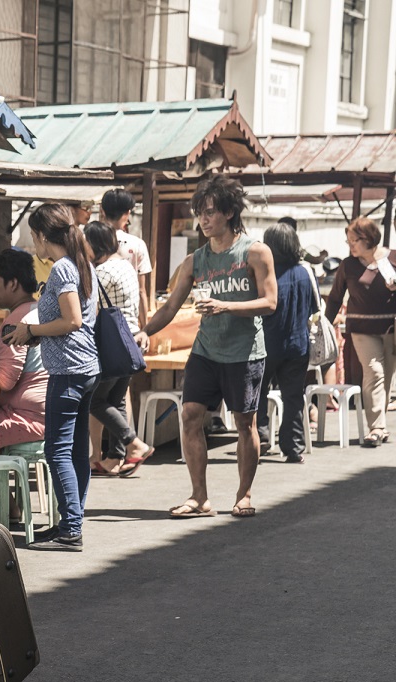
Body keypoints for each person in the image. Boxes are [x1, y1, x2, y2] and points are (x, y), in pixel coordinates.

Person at [141, 175, 277, 518]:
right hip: (205, 351)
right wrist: (143, 333)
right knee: (190, 416)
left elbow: (271, 302)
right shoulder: (195, 261)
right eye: (200, 212)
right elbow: (170, 307)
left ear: (230, 213)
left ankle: (244, 494)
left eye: (210, 212)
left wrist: (226, 306)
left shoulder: (256, 251)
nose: (203, 219)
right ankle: (199, 498)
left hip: (245, 351)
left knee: (245, 423)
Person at [5, 204, 100, 552]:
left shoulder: (62, 268)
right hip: (86, 367)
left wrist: (31, 328)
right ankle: (68, 522)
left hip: (68, 370)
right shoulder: (82, 264)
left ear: (43, 236)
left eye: (33, 237)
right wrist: (33, 334)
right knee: (75, 450)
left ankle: (70, 528)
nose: (34, 245)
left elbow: (72, 320)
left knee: (57, 450)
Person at [84, 221, 154, 477]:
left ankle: (134, 443)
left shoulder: (102, 272)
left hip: (111, 343)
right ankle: (117, 456)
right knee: (115, 399)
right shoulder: (126, 266)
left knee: (94, 399)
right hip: (131, 339)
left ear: (94, 245)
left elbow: (90, 309)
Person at [324, 216, 396, 447]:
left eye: (354, 241)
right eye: (348, 241)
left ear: (369, 239)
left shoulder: (393, 258)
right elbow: (335, 298)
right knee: (374, 372)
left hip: (390, 327)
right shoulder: (348, 265)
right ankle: (376, 427)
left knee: (387, 376)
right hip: (361, 329)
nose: (350, 246)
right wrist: (326, 323)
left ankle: (380, 424)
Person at [256, 224, 319, 463]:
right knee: (293, 397)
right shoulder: (305, 272)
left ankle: (261, 436)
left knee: (257, 393)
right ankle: (293, 447)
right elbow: (314, 308)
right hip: (297, 345)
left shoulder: (265, 274)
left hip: (265, 344)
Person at [0, 248, 48, 447]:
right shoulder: (40, 311)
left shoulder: (14, 322)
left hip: (27, 417)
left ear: (12, 283)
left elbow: (4, 383)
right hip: (49, 413)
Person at [100, 188, 153, 329]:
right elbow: (142, 291)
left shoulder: (90, 241)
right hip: (128, 324)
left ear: (103, 211)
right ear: (127, 213)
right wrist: (145, 329)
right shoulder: (137, 244)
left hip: (99, 323)